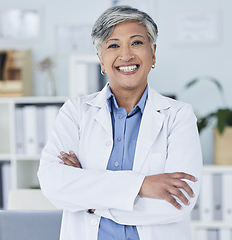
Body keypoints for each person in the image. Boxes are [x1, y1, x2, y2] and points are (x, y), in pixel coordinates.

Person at [38, 5, 202, 240]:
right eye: (113, 45)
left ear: (153, 53)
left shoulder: (178, 115)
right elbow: (53, 183)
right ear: (101, 60)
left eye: (136, 43)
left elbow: (178, 202)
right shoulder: (75, 112)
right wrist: (142, 185)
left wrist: (91, 202)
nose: (126, 55)